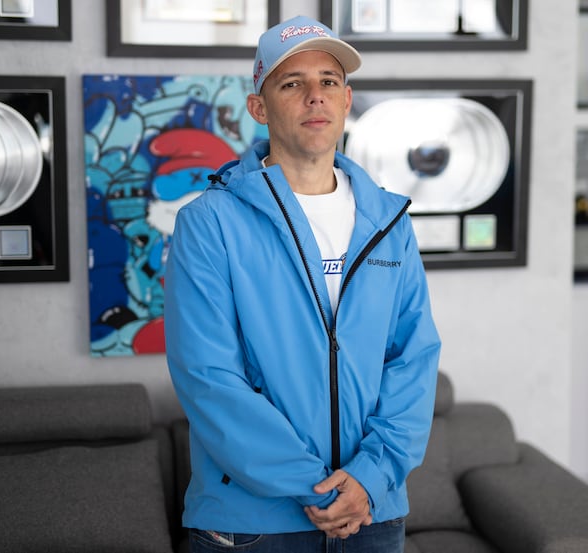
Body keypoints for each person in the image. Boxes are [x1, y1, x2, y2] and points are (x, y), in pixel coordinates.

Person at [165, 14, 441, 553]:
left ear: (346, 100)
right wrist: (316, 488)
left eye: (329, 81)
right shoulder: (209, 222)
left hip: (372, 512)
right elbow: (208, 377)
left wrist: (369, 478)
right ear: (259, 107)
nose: (315, 95)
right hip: (252, 521)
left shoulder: (389, 221)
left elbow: (413, 358)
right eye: (292, 83)